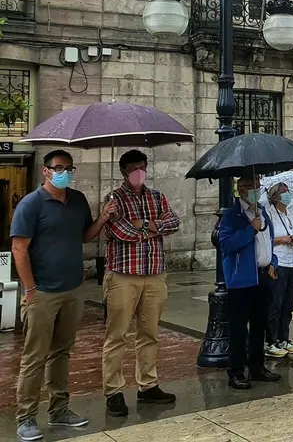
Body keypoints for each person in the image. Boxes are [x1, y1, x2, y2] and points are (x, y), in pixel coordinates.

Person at [11, 150, 116, 442]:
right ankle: (26, 418)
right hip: (42, 293)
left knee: (62, 352)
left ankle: (59, 409)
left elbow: (85, 235)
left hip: (72, 290)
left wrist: (104, 218)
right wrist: (30, 289)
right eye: (59, 168)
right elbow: (19, 248)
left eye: (69, 168)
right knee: (34, 357)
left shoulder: (78, 200)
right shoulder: (31, 205)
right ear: (45, 171)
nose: (65, 172)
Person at [102, 149, 180, 418]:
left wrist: (144, 224)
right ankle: (113, 390)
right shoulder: (113, 199)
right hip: (123, 275)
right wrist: (152, 228)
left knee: (150, 333)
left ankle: (148, 384)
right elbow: (121, 231)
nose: (139, 172)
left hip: (154, 273)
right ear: (124, 171)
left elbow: (173, 222)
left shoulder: (157, 196)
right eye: (134, 168)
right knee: (117, 335)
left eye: (142, 167)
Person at [219, 175, 281, 390]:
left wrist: (273, 261)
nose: (255, 189)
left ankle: (257, 366)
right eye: (250, 185)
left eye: (257, 185)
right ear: (241, 189)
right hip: (242, 279)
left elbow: (269, 242)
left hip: (263, 276)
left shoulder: (263, 212)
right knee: (238, 327)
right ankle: (236, 370)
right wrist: (250, 229)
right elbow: (226, 245)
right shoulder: (231, 215)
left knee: (259, 324)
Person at [265, 182, 293, 356]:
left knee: (289, 303)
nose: (287, 195)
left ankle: (284, 338)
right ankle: (271, 341)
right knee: (276, 302)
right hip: (279, 261)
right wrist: (283, 240)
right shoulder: (269, 214)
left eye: (288, 192)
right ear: (275, 197)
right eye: (283, 192)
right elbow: (266, 238)